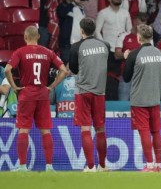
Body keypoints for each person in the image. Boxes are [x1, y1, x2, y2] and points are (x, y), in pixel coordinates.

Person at [4, 26, 68, 172]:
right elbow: (64, 70)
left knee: (23, 130)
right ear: (38, 37)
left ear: (25, 37)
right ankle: (49, 166)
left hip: (26, 94)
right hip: (42, 95)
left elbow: (7, 69)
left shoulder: (20, 52)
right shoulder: (48, 52)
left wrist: (14, 86)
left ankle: (22, 166)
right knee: (45, 131)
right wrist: (52, 86)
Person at [69, 18, 111, 172]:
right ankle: (102, 166)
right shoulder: (105, 46)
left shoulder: (75, 47)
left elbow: (73, 70)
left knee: (85, 129)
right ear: (93, 30)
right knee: (100, 129)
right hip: (100, 92)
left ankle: (90, 166)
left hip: (83, 92)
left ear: (81, 30)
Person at [123, 24, 161, 172]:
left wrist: (126, 58)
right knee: (156, 131)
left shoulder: (134, 54)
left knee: (144, 131)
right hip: (155, 97)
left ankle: (149, 164)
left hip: (139, 99)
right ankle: (159, 165)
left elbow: (126, 78)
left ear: (138, 37)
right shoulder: (160, 53)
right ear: (151, 37)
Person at [95, 0, 132, 100]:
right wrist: (104, 45)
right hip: (109, 49)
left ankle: (121, 101)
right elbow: (97, 31)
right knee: (109, 78)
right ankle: (110, 101)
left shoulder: (125, 13)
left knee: (122, 76)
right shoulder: (103, 13)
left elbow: (129, 30)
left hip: (121, 50)